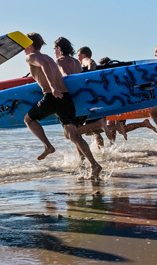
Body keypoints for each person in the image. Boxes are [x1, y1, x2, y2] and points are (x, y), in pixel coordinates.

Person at [22, 33, 102, 179]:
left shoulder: (31, 57)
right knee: (74, 135)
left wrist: (52, 87)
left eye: (23, 44)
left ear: (30, 44)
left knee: (28, 120)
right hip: (65, 97)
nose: (22, 48)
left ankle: (48, 146)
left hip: (52, 97)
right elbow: (47, 67)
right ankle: (94, 165)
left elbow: (44, 66)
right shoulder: (49, 57)